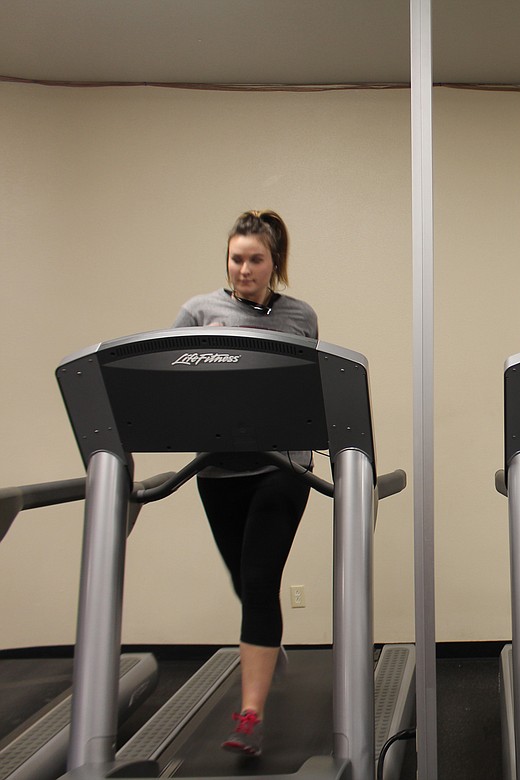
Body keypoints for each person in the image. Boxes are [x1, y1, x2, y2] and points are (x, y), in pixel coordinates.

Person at [173, 209, 319, 755]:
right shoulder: (197, 312)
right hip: (217, 470)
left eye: (256, 259)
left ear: (274, 263)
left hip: (283, 469)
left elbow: (307, 393)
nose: (244, 268)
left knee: (257, 582)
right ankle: (267, 640)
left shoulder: (301, 316)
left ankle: (249, 716)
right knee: (245, 584)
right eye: (237, 258)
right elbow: (172, 388)